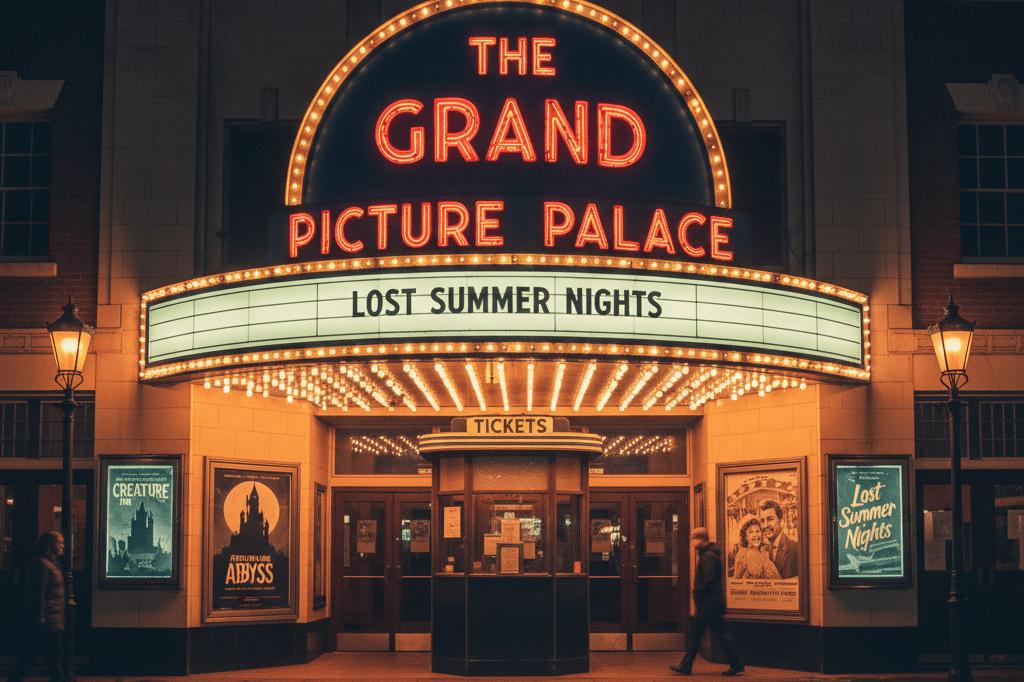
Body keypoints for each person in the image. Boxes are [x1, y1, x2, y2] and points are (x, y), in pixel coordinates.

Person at [671, 527, 744, 677]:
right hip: (711, 603)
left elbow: (708, 578)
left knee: (698, 635)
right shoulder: (708, 554)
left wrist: (698, 591)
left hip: (708, 604)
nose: (692, 542)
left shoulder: (708, 556)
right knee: (714, 635)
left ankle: (686, 666)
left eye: (694, 539)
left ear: (701, 539)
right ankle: (735, 663)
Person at [6, 531, 67, 682]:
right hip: (44, 621)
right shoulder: (42, 564)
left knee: (34, 656)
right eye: (60, 543)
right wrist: (39, 617)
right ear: (50, 545)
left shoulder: (49, 563)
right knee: (53, 657)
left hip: (48, 620)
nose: (63, 546)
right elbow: (38, 593)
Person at [759, 499, 798, 579]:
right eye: (762, 521)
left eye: (770, 519)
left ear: (781, 522)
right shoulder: (762, 549)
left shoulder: (795, 549)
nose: (765, 525)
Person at [732, 515, 781, 580]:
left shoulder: (764, 552)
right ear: (746, 537)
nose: (755, 535)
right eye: (751, 532)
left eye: (757, 531)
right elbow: (736, 580)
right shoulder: (743, 554)